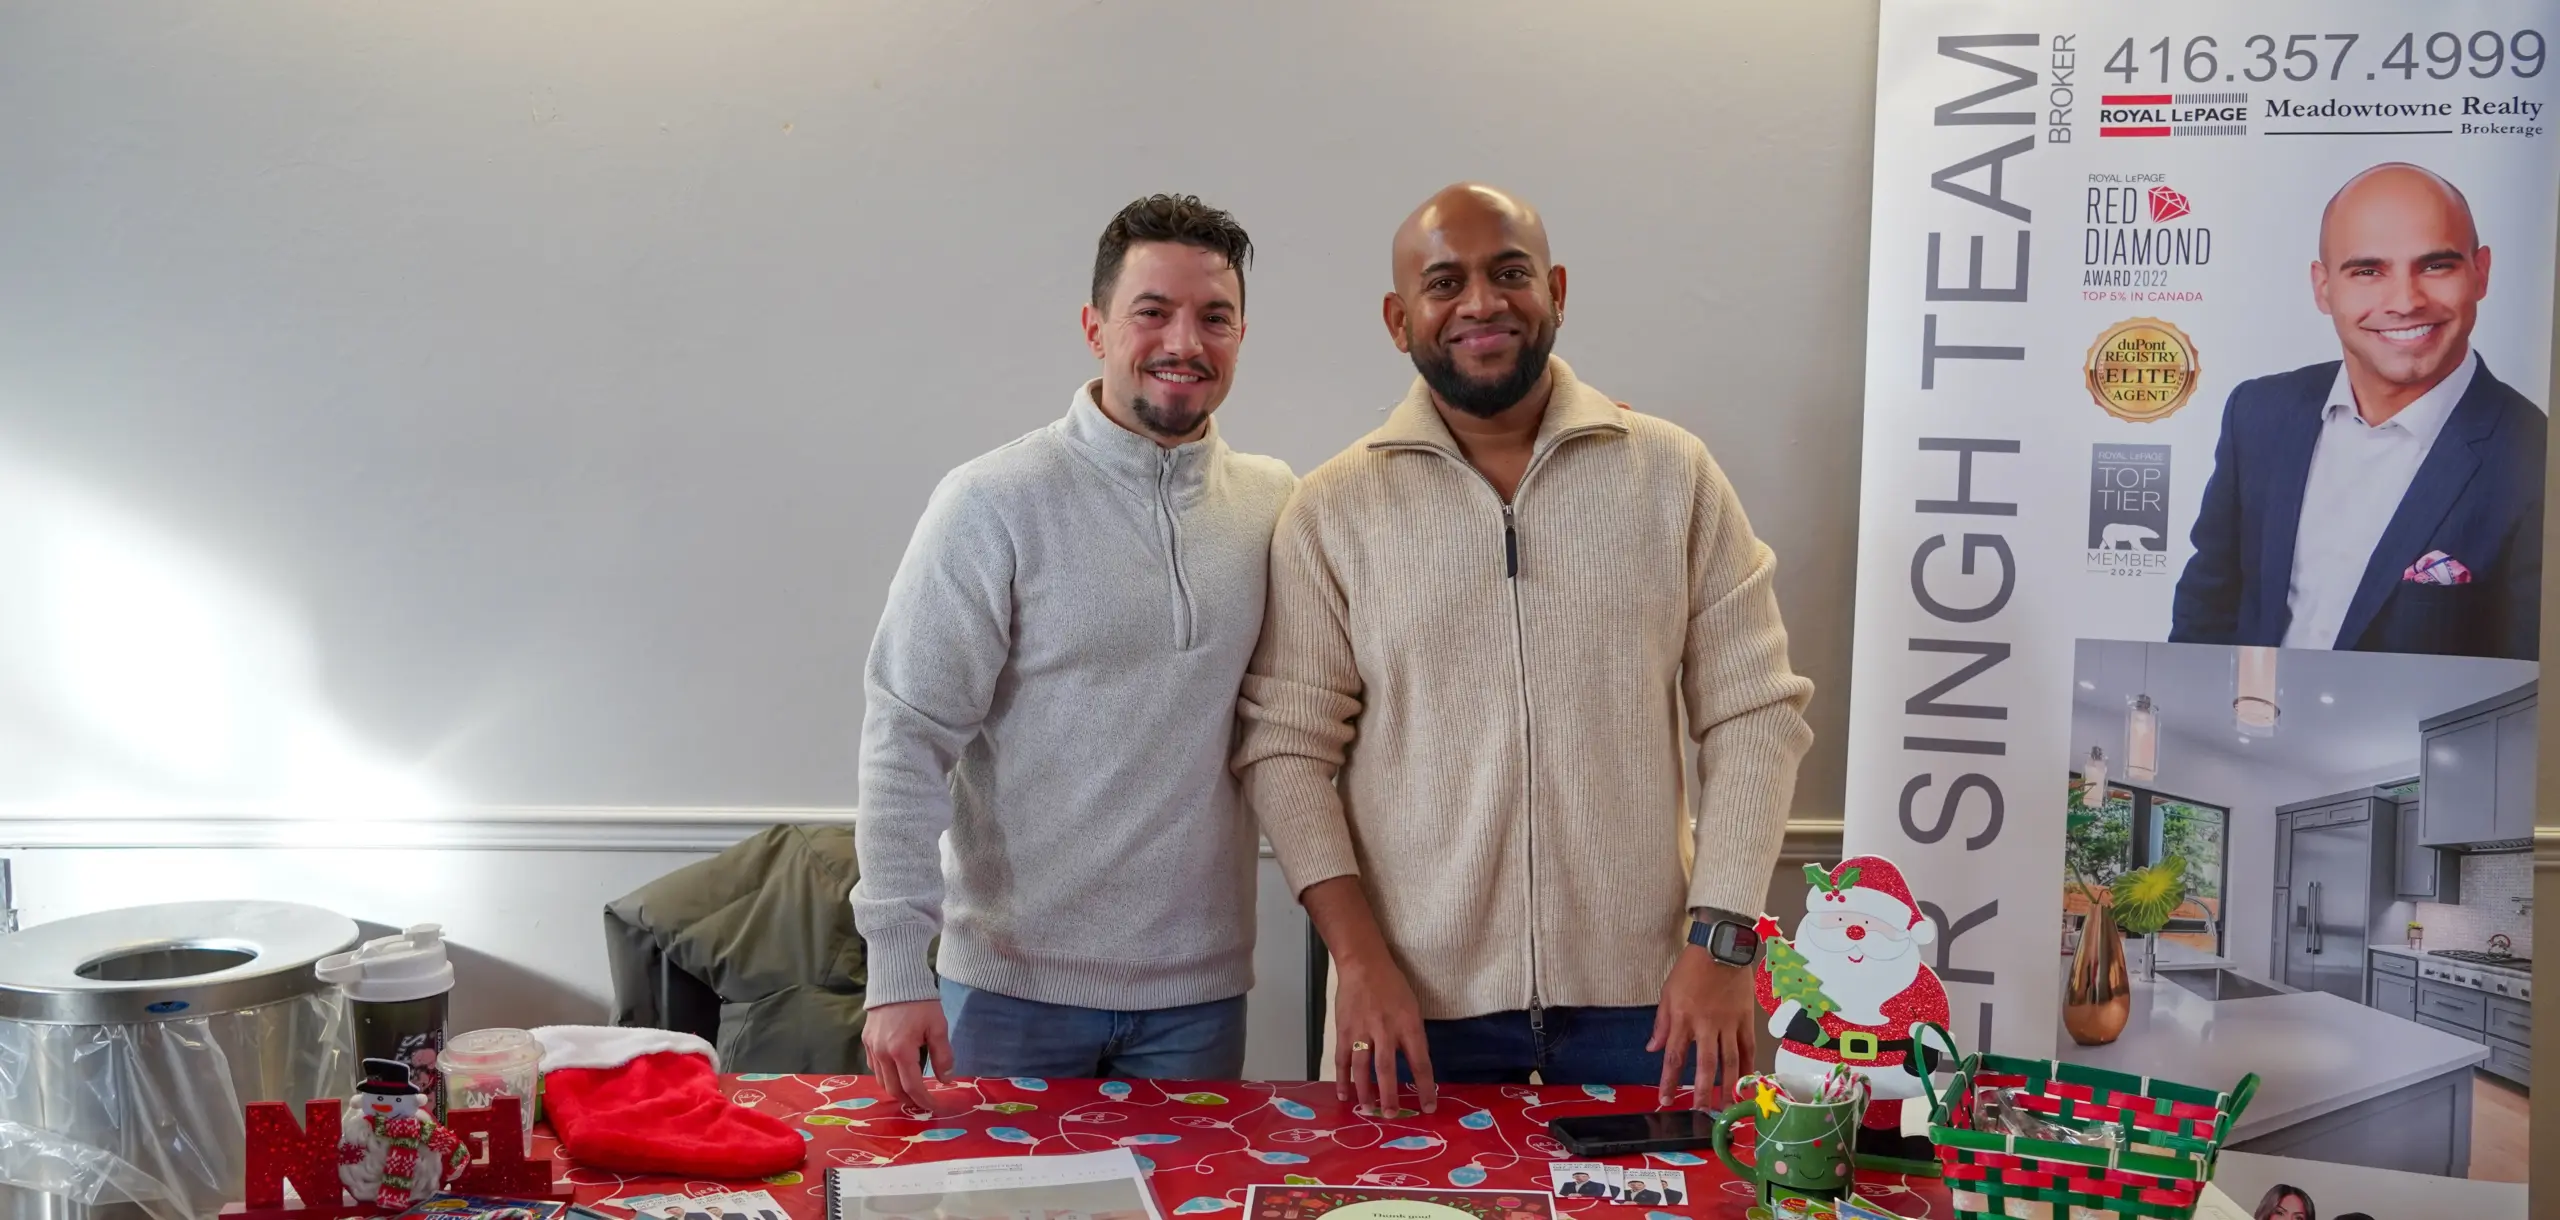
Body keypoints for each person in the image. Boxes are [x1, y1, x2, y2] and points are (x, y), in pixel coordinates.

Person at [1237, 182, 1814, 1116]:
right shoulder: (1333, 511)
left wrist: (1722, 950)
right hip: (1413, 1013)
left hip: (1654, 1003)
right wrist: (1360, 964)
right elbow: (1287, 750)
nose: (1480, 303)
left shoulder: (1673, 476)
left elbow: (1756, 715)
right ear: (1398, 319)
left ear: (1555, 290)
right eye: (1444, 282)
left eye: (1509, 274)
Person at [852, 194, 1297, 1110]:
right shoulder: (992, 501)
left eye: (1214, 317)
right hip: (1010, 993)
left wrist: (1529, 426)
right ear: (1095, 326)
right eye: (1153, 312)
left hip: (1200, 1002)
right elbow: (907, 734)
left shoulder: (1276, 502)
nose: (1186, 340)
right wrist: (897, 969)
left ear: (1241, 334)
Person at [2171, 162, 2544, 660]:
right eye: (2368, 271)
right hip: (2243, 732)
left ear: (2481, 273)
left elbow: (2528, 695)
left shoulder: (2535, 456)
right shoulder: (2258, 413)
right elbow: (2206, 615)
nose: (2405, 301)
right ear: (2323, 288)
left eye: (2436, 266)